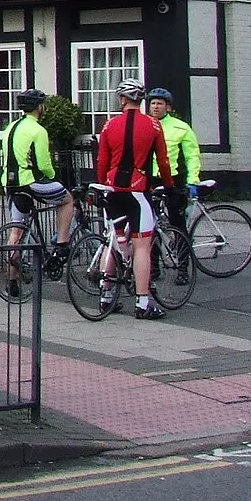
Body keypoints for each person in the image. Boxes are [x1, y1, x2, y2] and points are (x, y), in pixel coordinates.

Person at [93, 77, 175, 319]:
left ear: (121, 99)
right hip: (137, 191)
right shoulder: (153, 126)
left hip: (112, 190)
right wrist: (169, 185)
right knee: (141, 246)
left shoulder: (109, 126)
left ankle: (106, 297)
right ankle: (142, 303)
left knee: (113, 241)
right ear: (141, 100)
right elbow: (163, 160)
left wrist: (102, 184)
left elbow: (102, 161)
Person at [0, 89, 74, 280]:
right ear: (39, 107)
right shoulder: (38, 130)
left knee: (17, 230)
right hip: (31, 182)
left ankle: (12, 281)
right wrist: (53, 176)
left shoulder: (10, 127)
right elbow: (43, 164)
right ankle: (62, 245)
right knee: (66, 200)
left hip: (10, 183)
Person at [147, 87, 199, 232]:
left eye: (160, 103)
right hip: (150, 178)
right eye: (153, 103)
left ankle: (183, 253)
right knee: (150, 222)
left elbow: (192, 155)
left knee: (177, 219)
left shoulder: (181, 127)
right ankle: (154, 254)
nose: (156, 107)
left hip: (173, 178)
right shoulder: (144, 125)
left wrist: (193, 180)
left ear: (167, 107)